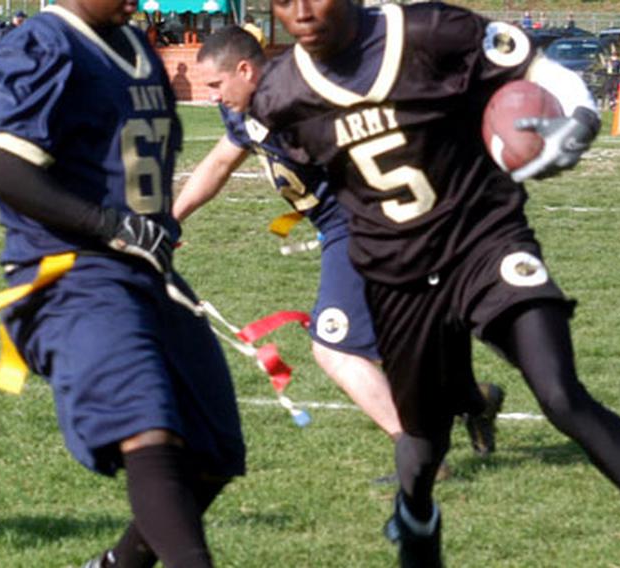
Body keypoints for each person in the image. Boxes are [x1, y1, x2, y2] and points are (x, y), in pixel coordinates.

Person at [252, 1, 620, 566]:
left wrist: (577, 118)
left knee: (560, 393)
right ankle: (415, 517)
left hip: (483, 239)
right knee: (424, 444)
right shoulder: (279, 95)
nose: (301, 11)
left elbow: (534, 67)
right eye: (284, 0)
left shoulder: (429, 30)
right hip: (398, 274)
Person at [0, 0, 245, 566]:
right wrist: (110, 224)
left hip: (146, 273)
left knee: (214, 451)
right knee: (149, 430)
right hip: (70, 272)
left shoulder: (136, 45)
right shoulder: (42, 45)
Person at [175, 26, 504, 466]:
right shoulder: (248, 109)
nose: (213, 97)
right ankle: (474, 401)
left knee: (335, 348)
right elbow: (220, 160)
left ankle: (420, 454)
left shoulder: (301, 96)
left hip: (366, 225)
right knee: (396, 343)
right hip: (347, 228)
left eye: (216, 85)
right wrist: (170, 219)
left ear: (245, 70)